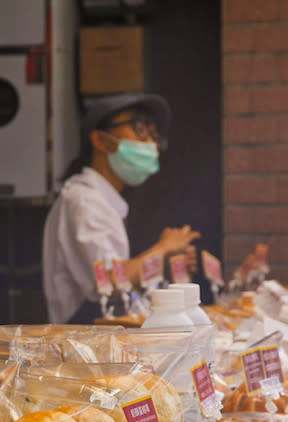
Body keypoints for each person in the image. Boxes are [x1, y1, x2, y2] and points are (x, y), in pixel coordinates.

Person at [42, 93, 201, 324]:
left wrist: (162, 267)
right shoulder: (84, 201)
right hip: (83, 340)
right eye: (140, 128)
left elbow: (123, 280)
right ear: (100, 140)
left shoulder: (104, 202)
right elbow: (110, 282)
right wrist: (164, 248)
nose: (150, 144)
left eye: (154, 136)